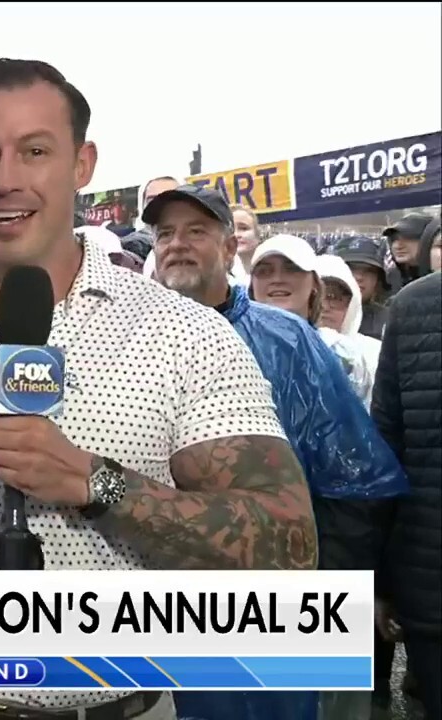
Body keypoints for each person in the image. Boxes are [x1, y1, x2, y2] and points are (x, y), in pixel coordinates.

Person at [0, 58, 315, 720]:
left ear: (82, 164)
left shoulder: (184, 333)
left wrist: (99, 484)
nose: (5, 179)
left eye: (35, 151)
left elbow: (290, 547)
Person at [145, 183, 407, 720]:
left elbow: (350, 481)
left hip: (271, 595)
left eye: (196, 231)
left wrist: (329, 600)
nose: (178, 244)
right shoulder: (129, 338)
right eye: (165, 233)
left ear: (229, 248)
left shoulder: (287, 339)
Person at [373, 267, 442, 720]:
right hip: (429, 579)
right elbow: (387, 453)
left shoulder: (411, 304)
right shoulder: (413, 306)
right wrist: (381, 584)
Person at [248, 235, 374, 406]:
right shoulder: (232, 346)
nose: (277, 279)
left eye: (292, 269)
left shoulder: (340, 354)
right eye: (264, 271)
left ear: (315, 282)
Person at [314, 254, 382, 391]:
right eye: (316, 296)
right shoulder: (282, 351)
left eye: (334, 298)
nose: (324, 306)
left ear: (352, 305)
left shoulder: (374, 354)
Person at [329, 235, 391, 339]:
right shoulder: (311, 315)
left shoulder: (390, 321)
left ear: (378, 279)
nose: (359, 277)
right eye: (351, 268)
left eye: (369, 271)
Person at [383, 213, 432, 295]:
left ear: (428, 239)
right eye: (394, 239)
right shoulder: (390, 279)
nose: (397, 246)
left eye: (408, 238)